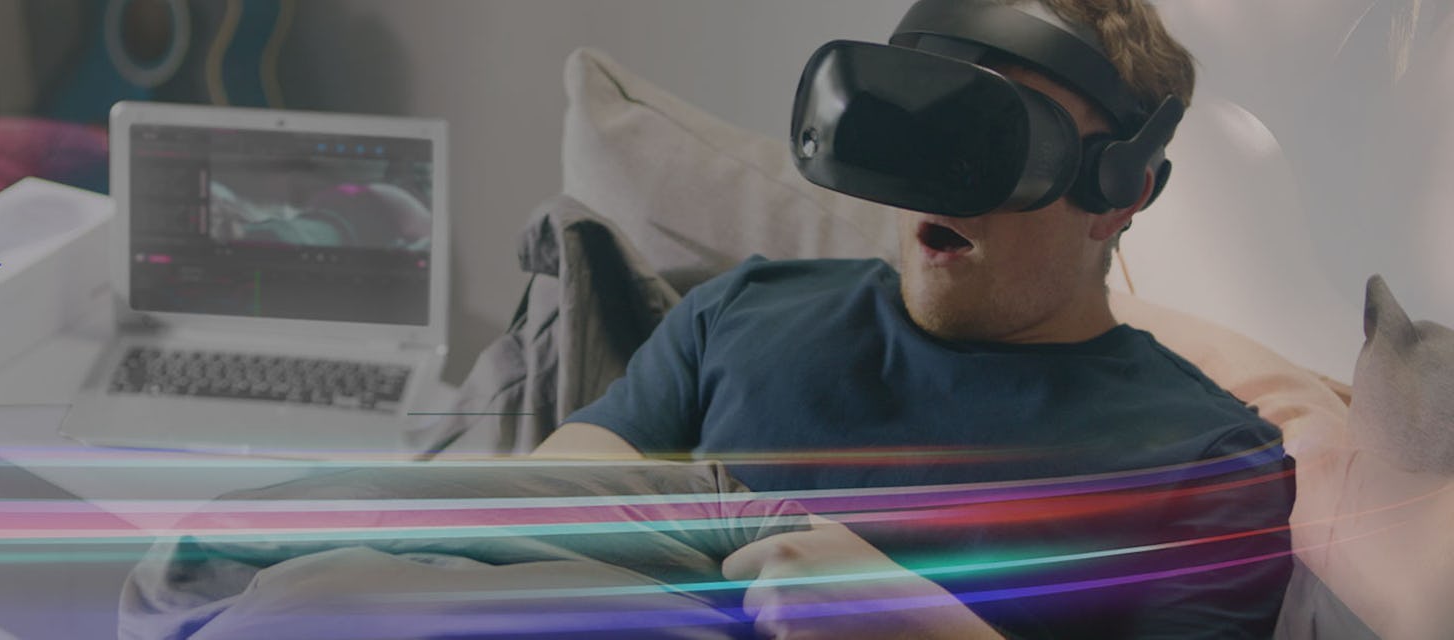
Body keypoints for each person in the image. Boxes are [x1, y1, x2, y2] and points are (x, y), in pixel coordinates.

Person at [532, 0, 1294, 637]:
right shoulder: (743, 308)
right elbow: (545, 495)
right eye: (921, 130)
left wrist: (920, 624)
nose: (937, 188)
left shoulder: (1209, 467)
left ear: (1121, 192)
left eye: (996, 143)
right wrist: (740, 521)